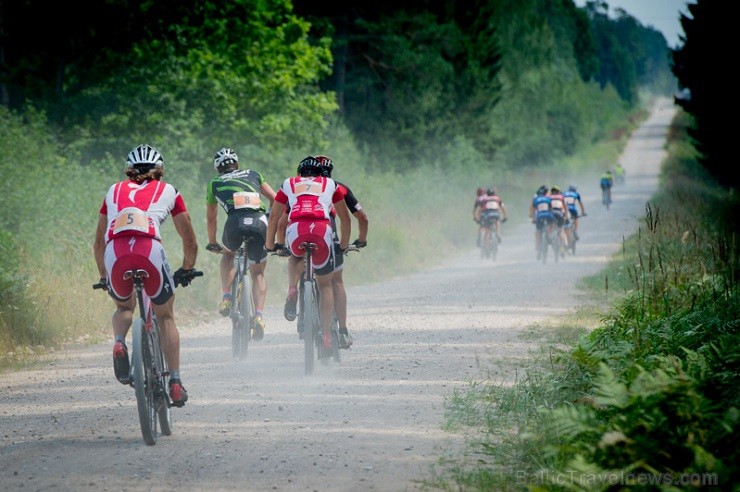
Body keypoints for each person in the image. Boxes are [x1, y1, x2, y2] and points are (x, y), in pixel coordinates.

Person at [93, 144, 198, 407]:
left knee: (124, 307)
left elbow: (98, 243)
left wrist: (104, 276)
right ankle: (174, 382)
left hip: (115, 252)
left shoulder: (112, 191)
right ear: (159, 171)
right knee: (165, 315)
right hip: (149, 249)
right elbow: (189, 239)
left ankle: (119, 343)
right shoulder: (170, 190)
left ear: (129, 171)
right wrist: (186, 268)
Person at [265, 156, 352, 357]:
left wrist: (271, 245)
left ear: (299, 173)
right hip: (322, 230)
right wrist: (343, 245)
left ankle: (293, 288)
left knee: (294, 255)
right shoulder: (330, 183)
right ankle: (328, 338)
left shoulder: (288, 183)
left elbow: (275, 219)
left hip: (296, 230)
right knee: (325, 285)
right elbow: (345, 218)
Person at [205, 147, 276, 341]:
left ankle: (227, 297)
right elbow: (276, 199)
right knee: (258, 273)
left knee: (228, 254)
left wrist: (212, 242)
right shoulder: (254, 174)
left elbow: (211, 218)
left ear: (218, 168)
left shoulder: (214, 183)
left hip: (234, 224)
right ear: (237, 164)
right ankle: (259, 316)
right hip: (260, 223)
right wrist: (269, 217)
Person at [315, 154, 369, 349]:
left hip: (305, 236)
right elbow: (362, 218)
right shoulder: (339, 188)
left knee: (304, 265)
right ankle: (343, 331)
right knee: (335, 281)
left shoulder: (303, 187)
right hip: (331, 238)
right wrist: (360, 240)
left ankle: (298, 299)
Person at [529, 185, 552, 259]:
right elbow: (551, 208)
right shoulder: (548, 197)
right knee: (550, 223)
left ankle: (538, 248)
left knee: (538, 232)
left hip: (539, 217)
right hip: (548, 215)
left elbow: (533, 208)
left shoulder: (536, 197)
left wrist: (532, 218)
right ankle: (549, 235)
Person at [548, 185, 571, 253]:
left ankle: (550, 236)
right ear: (558, 192)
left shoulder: (549, 197)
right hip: (559, 214)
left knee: (550, 225)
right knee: (561, 231)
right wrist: (566, 217)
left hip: (551, 214)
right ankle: (565, 246)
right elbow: (565, 208)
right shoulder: (562, 197)